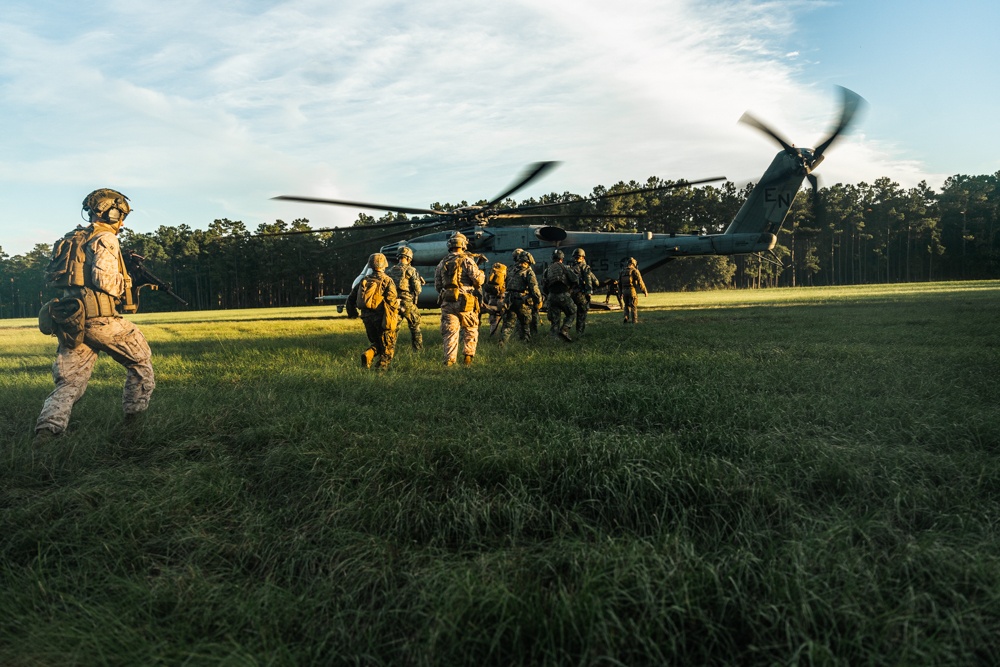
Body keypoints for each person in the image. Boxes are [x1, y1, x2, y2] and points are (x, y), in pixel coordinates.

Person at [33, 188, 155, 445]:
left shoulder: (71, 239)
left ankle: (46, 433)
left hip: (72, 321)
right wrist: (130, 279)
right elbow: (105, 281)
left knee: (69, 382)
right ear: (113, 212)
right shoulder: (106, 239)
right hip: (101, 319)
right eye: (121, 214)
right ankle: (133, 427)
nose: (122, 220)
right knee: (141, 362)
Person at [434, 232, 485, 366]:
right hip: (466, 301)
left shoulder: (442, 262)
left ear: (450, 245)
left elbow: (438, 285)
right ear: (463, 245)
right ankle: (468, 357)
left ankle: (449, 360)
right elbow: (478, 280)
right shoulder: (467, 260)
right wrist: (482, 274)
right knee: (470, 329)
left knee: (450, 332)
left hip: (448, 300)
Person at [358, 253, 399, 370]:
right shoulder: (387, 280)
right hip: (381, 318)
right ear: (384, 264)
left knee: (377, 342)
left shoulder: (364, 280)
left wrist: (352, 313)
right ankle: (381, 371)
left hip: (366, 318)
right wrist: (400, 306)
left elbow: (351, 298)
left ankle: (368, 354)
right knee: (388, 346)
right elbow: (391, 300)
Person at [498, 249, 542, 346]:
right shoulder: (528, 272)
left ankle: (502, 343)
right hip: (522, 301)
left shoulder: (512, 270)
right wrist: (539, 301)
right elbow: (534, 289)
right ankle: (525, 344)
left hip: (509, 300)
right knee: (525, 324)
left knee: (508, 325)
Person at [387, 246, 424, 351]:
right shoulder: (411, 270)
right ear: (409, 258)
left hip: (394, 303)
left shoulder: (390, 271)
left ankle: (389, 351)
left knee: (393, 329)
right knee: (415, 327)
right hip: (407, 302)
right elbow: (418, 289)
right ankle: (418, 351)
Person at [540, 248, 578, 342]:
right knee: (572, 312)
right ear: (562, 258)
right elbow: (575, 280)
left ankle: (554, 339)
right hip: (563, 294)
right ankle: (565, 329)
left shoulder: (547, 270)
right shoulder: (566, 268)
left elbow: (544, 287)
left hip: (551, 296)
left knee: (555, 320)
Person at [568, 248, 601, 335]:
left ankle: (565, 329)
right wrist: (589, 292)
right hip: (581, 294)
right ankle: (579, 333)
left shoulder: (571, 268)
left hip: (572, 294)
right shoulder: (585, 267)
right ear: (583, 257)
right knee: (581, 314)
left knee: (571, 314)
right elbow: (593, 281)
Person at [619, 256, 648, 324]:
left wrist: (620, 293)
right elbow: (640, 281)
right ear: (634, 264)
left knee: (626, 305)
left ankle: (626, 317)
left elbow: (619, 283)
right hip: (632, 290)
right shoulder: (635, 271)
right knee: (633, 305)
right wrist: (644, 291)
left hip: (624, 291)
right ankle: (634, 321)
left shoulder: (622, 271)